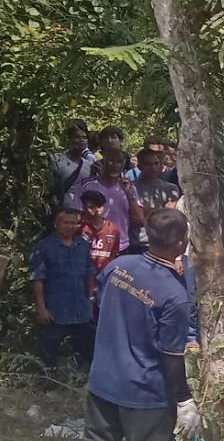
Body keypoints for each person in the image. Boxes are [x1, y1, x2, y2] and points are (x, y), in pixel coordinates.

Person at [66, 208, 199, 441]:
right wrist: (184, 400)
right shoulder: (175, 295)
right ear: (181, 244)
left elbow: (101, 303)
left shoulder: (118, 267)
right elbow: (171, 357)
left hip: (104, 378)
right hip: (144, 389)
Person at [30, 209, 96, 373]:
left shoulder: (82, 245)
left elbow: (89, 273)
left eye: (74, 223)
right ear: (56, 224)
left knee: (88, 348)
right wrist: (41, 308)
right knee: (48, 351)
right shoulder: (44, 247)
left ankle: (85, 382)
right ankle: (47, 383)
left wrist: (91, 299)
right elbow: (37, 279)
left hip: (80, 308)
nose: (70, 226)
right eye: (66, 222)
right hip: (55, 309)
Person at [66, 152, 144, 249]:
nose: (114, 165)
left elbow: (139, 220)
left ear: (124, 165)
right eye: (111, 161)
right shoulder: (87, 185)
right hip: (90, 244)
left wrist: (128, 193)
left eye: (119, 162)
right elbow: (76, 215)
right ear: (103, 162)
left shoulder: (130, 187)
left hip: (119, 246)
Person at [48, 122, 95, 213]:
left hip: (80, 214)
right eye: (77, 137)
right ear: (69, 139)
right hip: (59, 212)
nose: (81, 140)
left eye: (84, 138)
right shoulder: (56, 160)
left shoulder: (89, 166)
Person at [78, 190, 125, 277]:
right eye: (91, 207)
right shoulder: (79, 228)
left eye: (99, 206)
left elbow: (113, 254)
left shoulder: (113, 229)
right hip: (82, 274)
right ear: (84, 208)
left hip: (104, 275)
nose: (97, 210)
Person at [133, 146, 183, 211]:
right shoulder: (132, 188)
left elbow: (169, 214)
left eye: (156, 163)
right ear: (139, 166)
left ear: (161, 165)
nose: (153, 167)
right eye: (148, 164)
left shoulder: (171, 189)